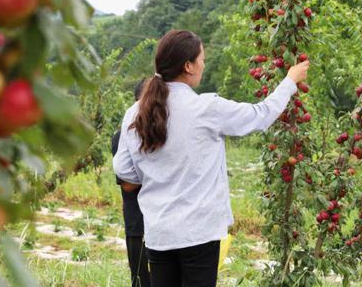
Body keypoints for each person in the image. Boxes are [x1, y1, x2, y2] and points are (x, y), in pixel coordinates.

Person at [113, 30, 309, 287]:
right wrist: (289, 81)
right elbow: (260, 115)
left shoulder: (135, 113)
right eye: (202, 59)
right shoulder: (207, 109)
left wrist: (157, 174)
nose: (204, 64)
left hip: (159, 232)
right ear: (188, 66)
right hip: (198, 231)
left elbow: (125, 171)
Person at [111, 79, 150, 287]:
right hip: (138, 225)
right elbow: (127, 184)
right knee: (142, 281)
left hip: (161, 223)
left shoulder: (159, 131)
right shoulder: (122, 136)